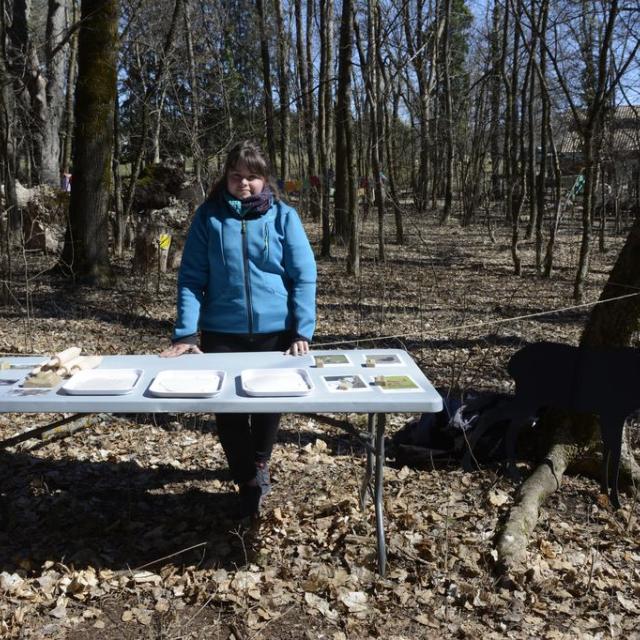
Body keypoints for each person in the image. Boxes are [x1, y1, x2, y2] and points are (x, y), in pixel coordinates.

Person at [161, 140, 317, 519]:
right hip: (221, 334)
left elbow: (303, 276)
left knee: (267, 408)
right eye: (236, 176)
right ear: (226, 178)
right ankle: (247, 480)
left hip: (275, 334)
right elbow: (191, 279)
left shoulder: (283, 217)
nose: (244, 184)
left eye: (252, 177)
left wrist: (301, 331)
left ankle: (259, 465)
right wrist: (185, 334)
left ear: (265, 180)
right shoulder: (209, 218)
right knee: (228, 412)